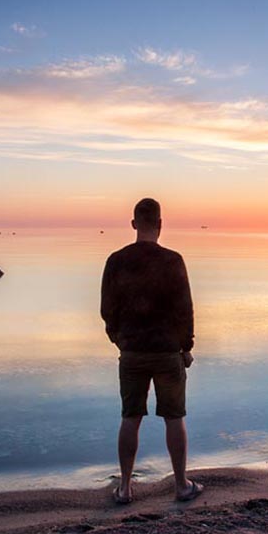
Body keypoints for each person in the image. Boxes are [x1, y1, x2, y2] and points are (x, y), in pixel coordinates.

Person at [101, 198, 203, 504]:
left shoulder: (116, 261)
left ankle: (125, 489)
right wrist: (186, 347)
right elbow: (185, 310)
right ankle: (182, 486)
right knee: (175, 417)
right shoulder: (173, 261)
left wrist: (119, 340)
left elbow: (107, 310)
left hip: (132, 352)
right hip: (167, 351)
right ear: (160, 224)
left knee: (130, 417)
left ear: (134, 224)